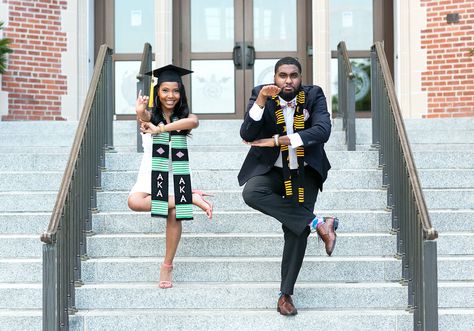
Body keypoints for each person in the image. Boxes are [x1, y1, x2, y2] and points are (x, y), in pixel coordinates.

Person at [238, 57, 338, 316]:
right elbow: (247, 134)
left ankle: (285, 295)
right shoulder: (261, 95)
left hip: (305, 172)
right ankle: (319, 223)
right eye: (282, 75)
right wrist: (260, 101)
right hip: (274, 171)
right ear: (275, 77)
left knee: (295, 231)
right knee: (251, 192)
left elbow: (322, 130)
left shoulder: (313, 95)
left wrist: (279, 140)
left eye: (293, 75)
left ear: (300, 78)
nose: (288, 80)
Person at [128, 64, 213, 289]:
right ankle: (190, 198)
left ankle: (167, 266)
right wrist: (139, 110)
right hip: (151, 171)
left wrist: (161, 130)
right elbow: (143, 115)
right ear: (158, 92)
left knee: (174, 213)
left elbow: (192, 122)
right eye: (165, 90)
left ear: (181, 93)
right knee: (134, 201)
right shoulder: (150, 116)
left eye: (175, 91)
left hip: (176, 172)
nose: (170, 95)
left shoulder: (185, 117)